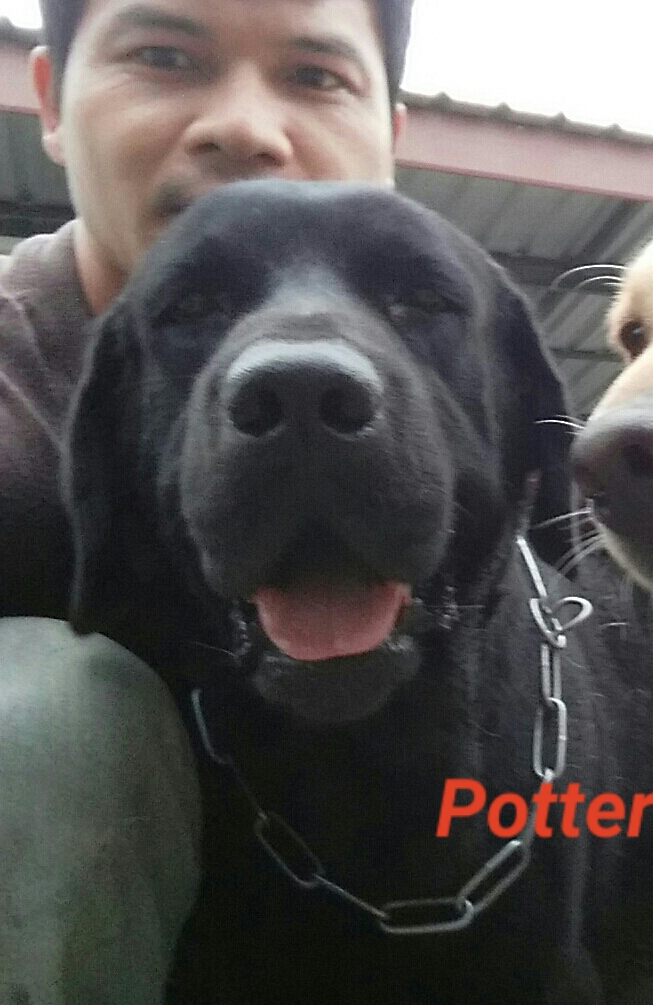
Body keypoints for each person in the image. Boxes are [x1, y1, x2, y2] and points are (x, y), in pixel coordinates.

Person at [0, 2, 413, 1000]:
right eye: (164, 56)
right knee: (47, 714)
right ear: (51, 102)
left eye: (315, 77)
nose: (244, 128)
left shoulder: (473, 394)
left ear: (391, 136)